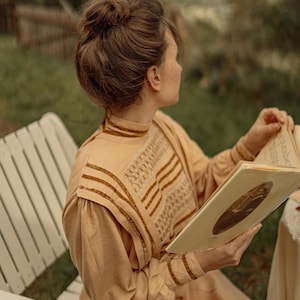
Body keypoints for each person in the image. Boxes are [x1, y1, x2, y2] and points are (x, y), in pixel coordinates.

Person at [62, 0, 294, 299]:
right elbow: (116, 295)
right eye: (175, 57)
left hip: (194, 285)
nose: (181, 67)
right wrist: (201, 261)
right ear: (154, 77)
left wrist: (249, 145)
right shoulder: (95, 193)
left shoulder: (160, 126)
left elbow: (202, 184)